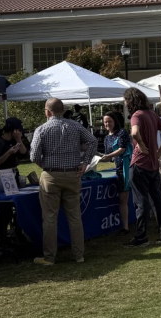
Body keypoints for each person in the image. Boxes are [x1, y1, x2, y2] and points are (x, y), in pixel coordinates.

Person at [30, 98, 97, 265]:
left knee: (50, 218)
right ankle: (79, 255)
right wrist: (85, 162)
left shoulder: (42, 129)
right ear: (62, 109)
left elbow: (33, 156)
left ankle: (49, 257)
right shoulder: (75, 126)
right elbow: (93, 141)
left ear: (47, 111)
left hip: (51, 175)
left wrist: (43, 164)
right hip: (73, 175)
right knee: (74, 217)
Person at [123, 88, 161, 247]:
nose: (124, 104)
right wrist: (158, 152)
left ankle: (141, 237)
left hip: (139, 164)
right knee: (158, 200)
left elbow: (134, 133)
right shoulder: (153, 114)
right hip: (152, 164)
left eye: (125, 100)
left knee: (141, 201)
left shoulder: (136, 115)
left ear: (130, 101)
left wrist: (139, 143)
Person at [0, 117, 27, 250]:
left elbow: (24, 153)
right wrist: (9, 152)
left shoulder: (16, 140)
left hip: (14, 175)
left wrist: (19, 140)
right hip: (1, 176)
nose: (19, 132)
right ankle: (2, 237)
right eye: (18, 130)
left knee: (19, 205)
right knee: (5, 209)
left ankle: (18, 233)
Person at [100, 112, 132, 235]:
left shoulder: (122, 133)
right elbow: (108, 157)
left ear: (115, 121)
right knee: (122, 199)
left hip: (127, 167)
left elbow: (122, 149)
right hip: (118, 168)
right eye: (105, 122)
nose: (107, 124)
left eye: (109, 121)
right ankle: (125, 227)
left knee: (124, 198)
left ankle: (126, 226)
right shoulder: (107, 137)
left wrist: (107, 156)